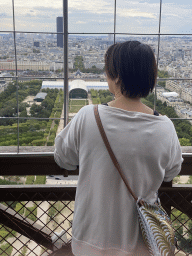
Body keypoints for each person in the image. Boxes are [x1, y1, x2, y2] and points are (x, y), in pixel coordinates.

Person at [54, 41, 183, 256]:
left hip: (91, 240)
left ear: (116, 77)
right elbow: (172, 171)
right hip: (144, 243)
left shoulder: (88, 117)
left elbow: (63, 158)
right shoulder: (166, 127)